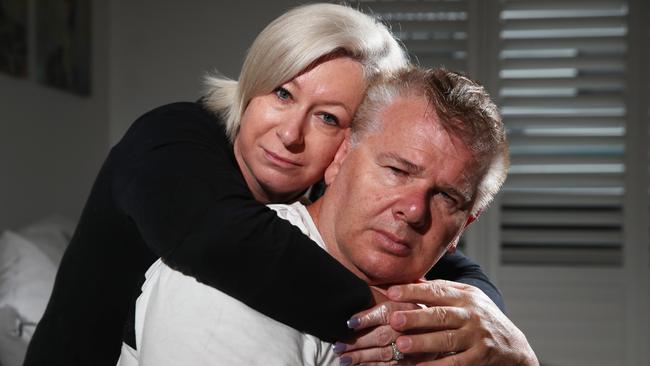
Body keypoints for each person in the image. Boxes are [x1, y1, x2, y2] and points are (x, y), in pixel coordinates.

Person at [24, 4, 504, 366]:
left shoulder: (328, 194)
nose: (290, 134)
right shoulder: (170, 141)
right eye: (282, 93)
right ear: (253, 85)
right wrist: (391, 320)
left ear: (349, 145)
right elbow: (225, 239)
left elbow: (443, 256)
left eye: (327, 117)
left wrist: (495, 328)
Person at [118, 67, 539, 366]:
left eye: (446, 197)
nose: (412, 210)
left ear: (463, 227)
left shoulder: (453, 325)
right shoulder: (228, 283)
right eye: (397, 170)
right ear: (339, 159)